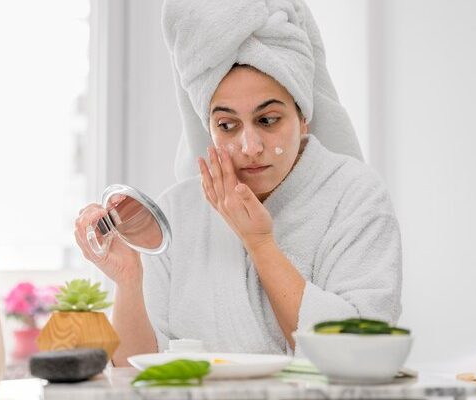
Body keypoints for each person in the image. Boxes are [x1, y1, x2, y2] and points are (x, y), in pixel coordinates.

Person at [74, 0, 402, 367]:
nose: (250, 147)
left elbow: (363, 353)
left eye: (268, 120)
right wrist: (129, 282)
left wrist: (260, 244)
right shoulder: (177, 213)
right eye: (227, 126)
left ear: (303, 116)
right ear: (209, 128)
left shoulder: (355, 198)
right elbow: (135, 370)